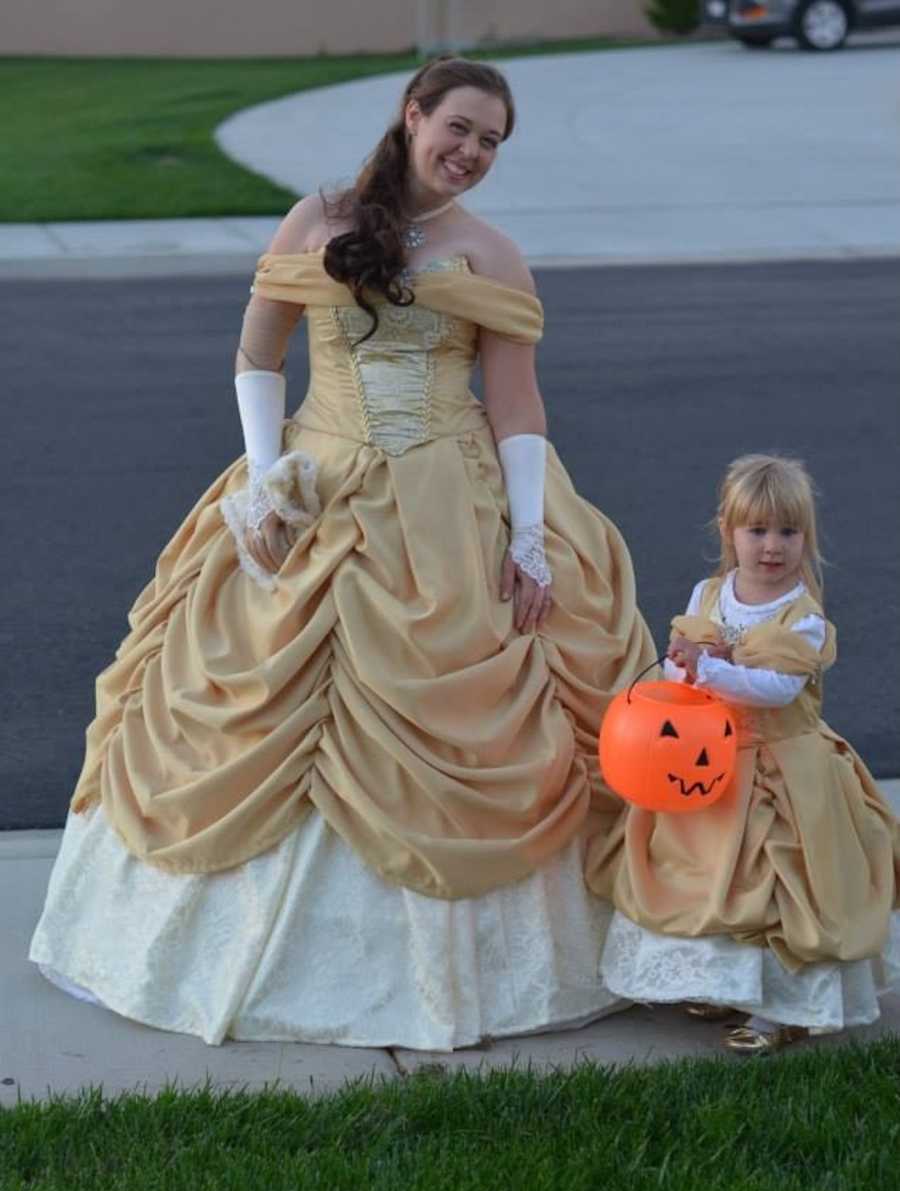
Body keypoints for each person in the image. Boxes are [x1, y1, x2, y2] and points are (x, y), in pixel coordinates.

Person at [29, 57, 654, 1051]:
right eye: (458, 127)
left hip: (451, 497)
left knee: (480, 705)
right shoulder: (316, 218)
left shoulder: (492, 254)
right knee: (247, 678)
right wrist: (264, 475)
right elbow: (256, 353)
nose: (472, 153)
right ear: (411, 116)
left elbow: (517, 401)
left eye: (492, 141)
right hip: (315, 480)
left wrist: (529, 539)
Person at [600, 453, 900, 1053]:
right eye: (756, 531)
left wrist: (707, 670)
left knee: (778, 881)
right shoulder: (708, 594)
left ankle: (781, 1007)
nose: (772, 547)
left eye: (788, 532)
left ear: (805, 539)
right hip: (710, 768)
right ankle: (719, 980)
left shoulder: (801, 617)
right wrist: (684, 678)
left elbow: (776, 689)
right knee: (708, 876)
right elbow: (688, 681)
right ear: (727, 533)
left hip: (786, 770)